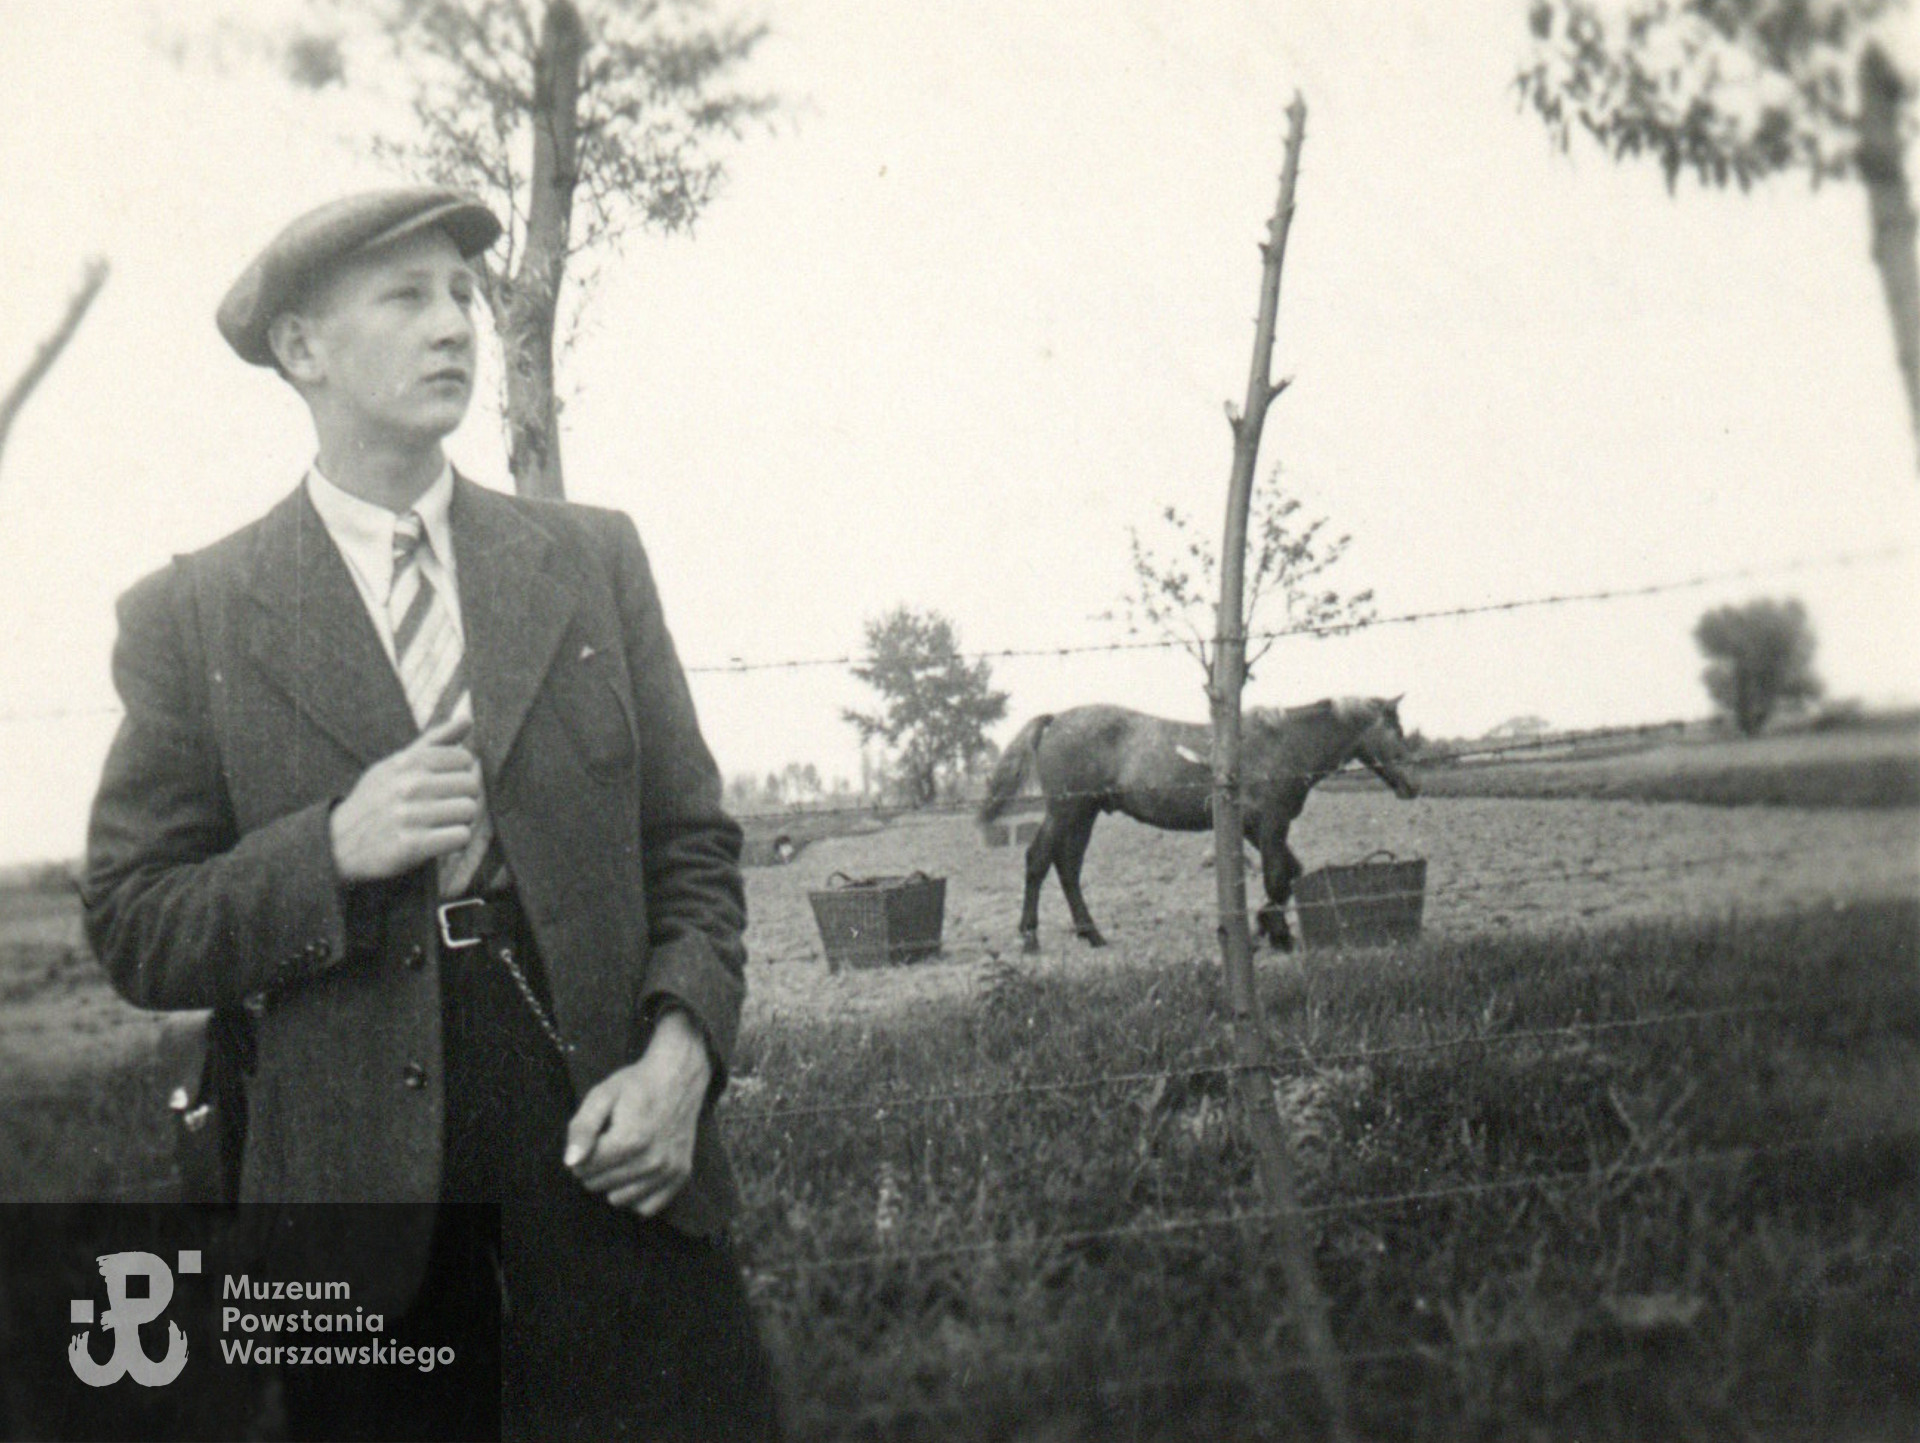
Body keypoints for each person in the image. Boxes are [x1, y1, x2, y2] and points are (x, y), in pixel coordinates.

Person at [82, 188, 780, 1442]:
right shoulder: (194, 614)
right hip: (348, 1193)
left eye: (462, 292)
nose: (454, 324)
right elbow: (137, 925)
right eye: (405, 297)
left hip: (606, 1134)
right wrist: (329, 849)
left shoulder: (591, 558)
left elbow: (691, 850)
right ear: (302, 349)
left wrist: (682, 1066)